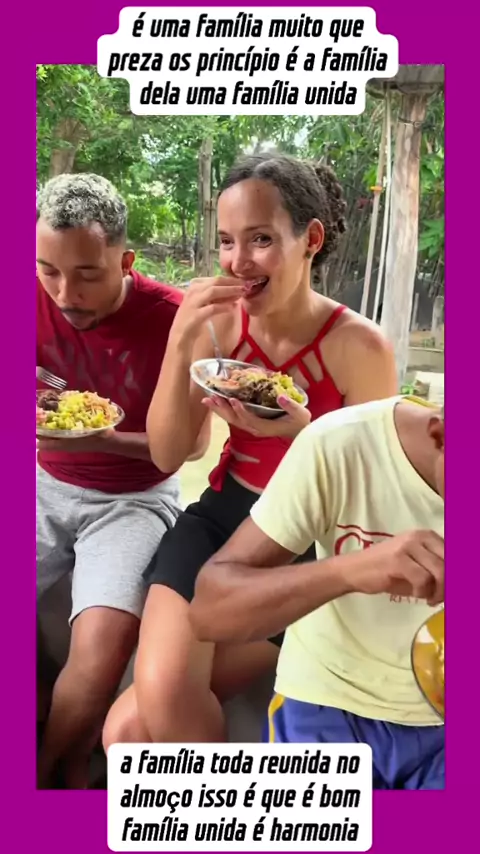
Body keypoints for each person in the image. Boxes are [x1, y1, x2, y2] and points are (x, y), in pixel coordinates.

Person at [103, 153, 398, 748]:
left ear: (310, 239)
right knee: (139, 718)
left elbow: (378, 493)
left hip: (305, 542)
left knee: (128, 730)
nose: (238, 261)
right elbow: (168, 454)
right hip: (220, 518)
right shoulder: (217, 328)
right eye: (226, 241)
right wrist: (181, 338)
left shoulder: (360, 346)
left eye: (260, 239)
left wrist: (301, 435)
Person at [36, 173, 208, 788]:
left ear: (126, 261)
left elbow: (192, 448)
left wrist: (104, 441)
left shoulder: (172, 319)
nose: (65, 293)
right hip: (41, 481)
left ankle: (47, 777)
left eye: (87, 274)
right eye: (48, 271)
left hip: (134, 497)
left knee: (102, 644)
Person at [191, 396, 445, 789]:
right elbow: (210, 613)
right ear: (441, 435)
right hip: (327, 705)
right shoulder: (344, 443)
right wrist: (351, 570)